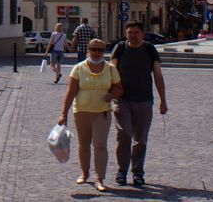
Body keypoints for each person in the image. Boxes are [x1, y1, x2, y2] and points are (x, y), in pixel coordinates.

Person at [58, 38, 122, 192]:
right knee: (84, 145)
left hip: (102, 112)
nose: (97, 53)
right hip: (82, 111)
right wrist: (63, 114)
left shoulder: (111, 69)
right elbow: (71, 92)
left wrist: (112, 94)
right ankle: (85, 173)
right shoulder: (79, 68)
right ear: (88, 50)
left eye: (100, 50)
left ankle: (100, 178)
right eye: (94, 49)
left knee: (100, 145)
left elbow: (120, 89)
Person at [110, 21, 167, 186]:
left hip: (144, 100)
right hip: (122, 99)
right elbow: (111, 72)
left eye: (136, 32)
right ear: (126, 34)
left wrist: (163, 100)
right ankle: (122, 170)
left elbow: (158, 75)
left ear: (142, 34)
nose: (133, 35)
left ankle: (138, 172)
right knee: (124, 134)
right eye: (130, 32)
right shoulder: (120, 48)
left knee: (141, 139)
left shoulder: (150, 49)